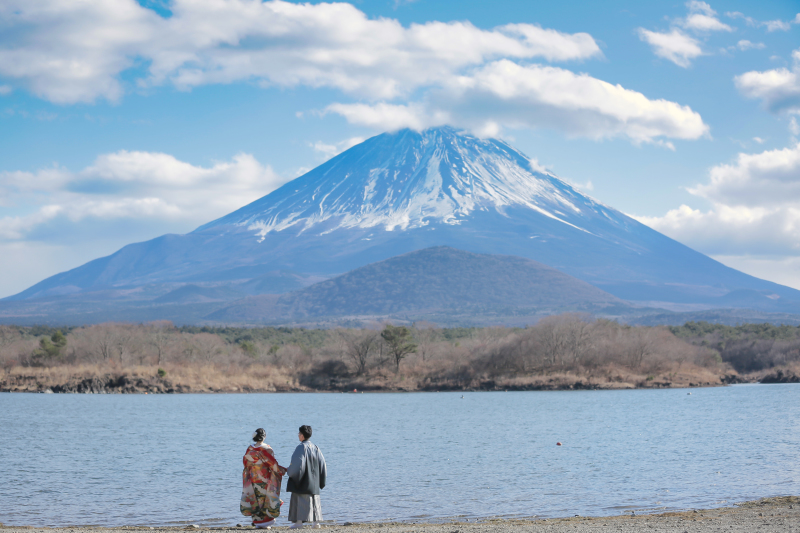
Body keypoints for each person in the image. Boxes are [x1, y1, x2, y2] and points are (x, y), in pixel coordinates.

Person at [241, 428, 288, 529]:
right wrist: (282, 470)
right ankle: (266, 523)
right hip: (265, 479)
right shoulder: (267, 449)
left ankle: (257, 522)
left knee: (256, 499)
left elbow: (245, 463)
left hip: (253, 478)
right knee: (266, 500)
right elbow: (273, 464)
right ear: (264, 437)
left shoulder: (250, 449)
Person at [286, 425, 327, 529]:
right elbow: (323, 465)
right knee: (315, 500)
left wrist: (289, 472)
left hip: (304, 480)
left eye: (299, 433)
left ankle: (299, 523)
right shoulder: (316, 447)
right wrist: (322, 480)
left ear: (302, 435)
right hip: (314, 480)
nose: (298, 435)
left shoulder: (301, 447)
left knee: (299, 497)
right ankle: (316, 523)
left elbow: (297, 465)